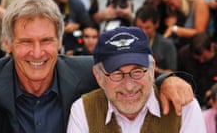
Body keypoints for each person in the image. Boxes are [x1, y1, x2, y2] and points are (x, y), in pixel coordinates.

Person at [0, 0, 196, 133]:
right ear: (8, 44)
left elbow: (130, 75)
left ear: (60, 41)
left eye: (46, 40)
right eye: (25, 41)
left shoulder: (86, 71)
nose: (37, 52)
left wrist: (168, 81)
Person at [67, 26, 206, 133]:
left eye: (137, 71)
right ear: (98, 76)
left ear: (152, 70)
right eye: (117, 74)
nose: (128, 86)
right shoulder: (83, 109)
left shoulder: (183, 105)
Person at [134, 5, 177, 77]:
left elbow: (172, 73)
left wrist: (156, 69)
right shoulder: (129, 42)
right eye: (140, 27)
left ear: (156, 24)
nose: (143, 32)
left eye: (147, 28)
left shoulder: (167, 44)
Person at [178, 32, 217, 107]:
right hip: (189, 100)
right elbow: (179, 77)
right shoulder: (183, 55)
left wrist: (214, 92)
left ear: (212, 47)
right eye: (197, 59)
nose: (201, 61)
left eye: (205, 58)